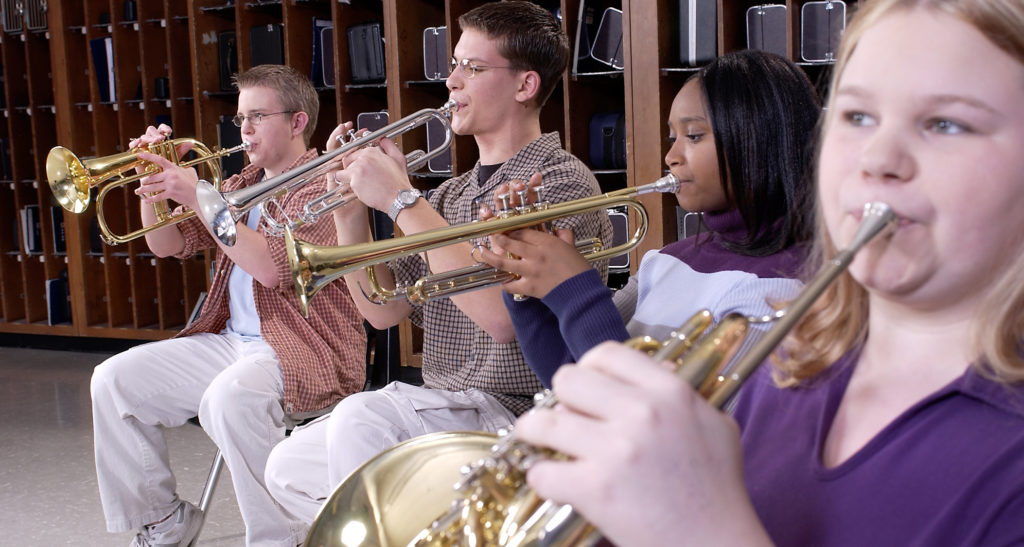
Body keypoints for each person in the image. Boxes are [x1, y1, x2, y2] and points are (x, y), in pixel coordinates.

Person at [513, 0, 1024, 545]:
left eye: (947, 123)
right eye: (858, 116)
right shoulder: (788, 364)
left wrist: (697, 525)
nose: (876, 157)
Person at [264, 1, 612, 523]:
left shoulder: (560, 182)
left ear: (525, 86)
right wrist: (353, 212)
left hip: (517, 410)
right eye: (453, 64)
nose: (451, 81)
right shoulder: (449, 196)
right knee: (288, 466)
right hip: (444, 404)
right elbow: (383, 311)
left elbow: (500, 320)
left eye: (473, 67)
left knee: (360, 418)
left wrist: (401, 198)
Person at [90, 64, 367, 547]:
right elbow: (168, 243)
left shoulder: (328, 183)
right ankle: (163, 520)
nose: (244, 130)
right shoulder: (242, 182)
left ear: (299, 122)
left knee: (230, 399)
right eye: (241, 119)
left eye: (258, 117)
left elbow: (273, 270)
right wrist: (154, 186)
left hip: (304, 349)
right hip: (230, 342)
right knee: (113, 380)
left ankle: (280, 538)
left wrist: (196, 193)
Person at [480, 48, 821, 387]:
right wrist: (526, 287)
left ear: (756, 139)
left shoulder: (782, 289)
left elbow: (659, 415)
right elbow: (570, 374)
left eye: (694, 135)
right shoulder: (665, 261)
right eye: (673, 138)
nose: (671, 156)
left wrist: (574, 289)